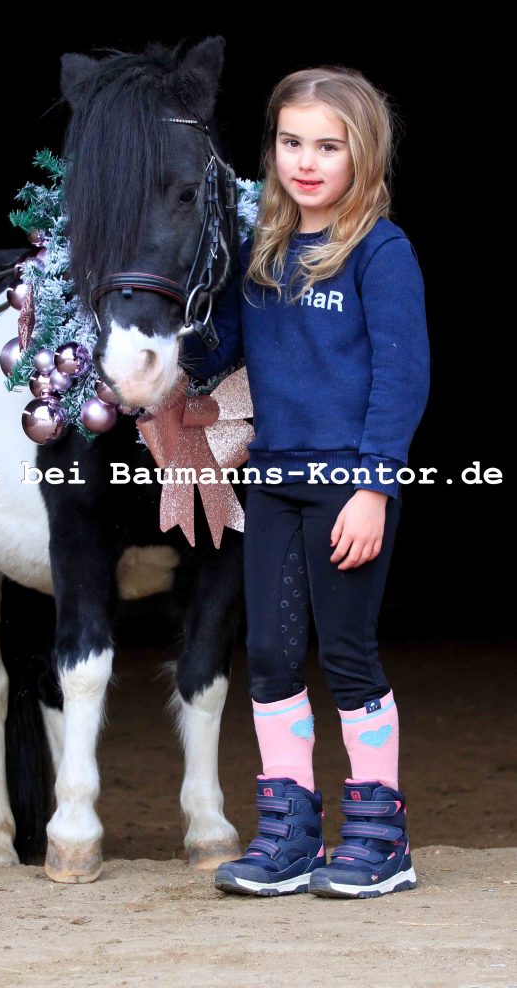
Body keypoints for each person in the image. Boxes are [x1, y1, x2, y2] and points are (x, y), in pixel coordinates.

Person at [180, 65, 430, 899]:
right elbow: (217, 354)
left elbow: (401, 377)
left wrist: (373, 488)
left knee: (347, 654)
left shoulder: (379, 252)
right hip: (275, 483)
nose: (306, 162)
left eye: (327, 146)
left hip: (347, 485)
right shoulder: (261, 251)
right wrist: (181, 317)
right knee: (269, 655)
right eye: (291, 143)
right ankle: (288, 835)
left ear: (363, 152)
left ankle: (380, 835)